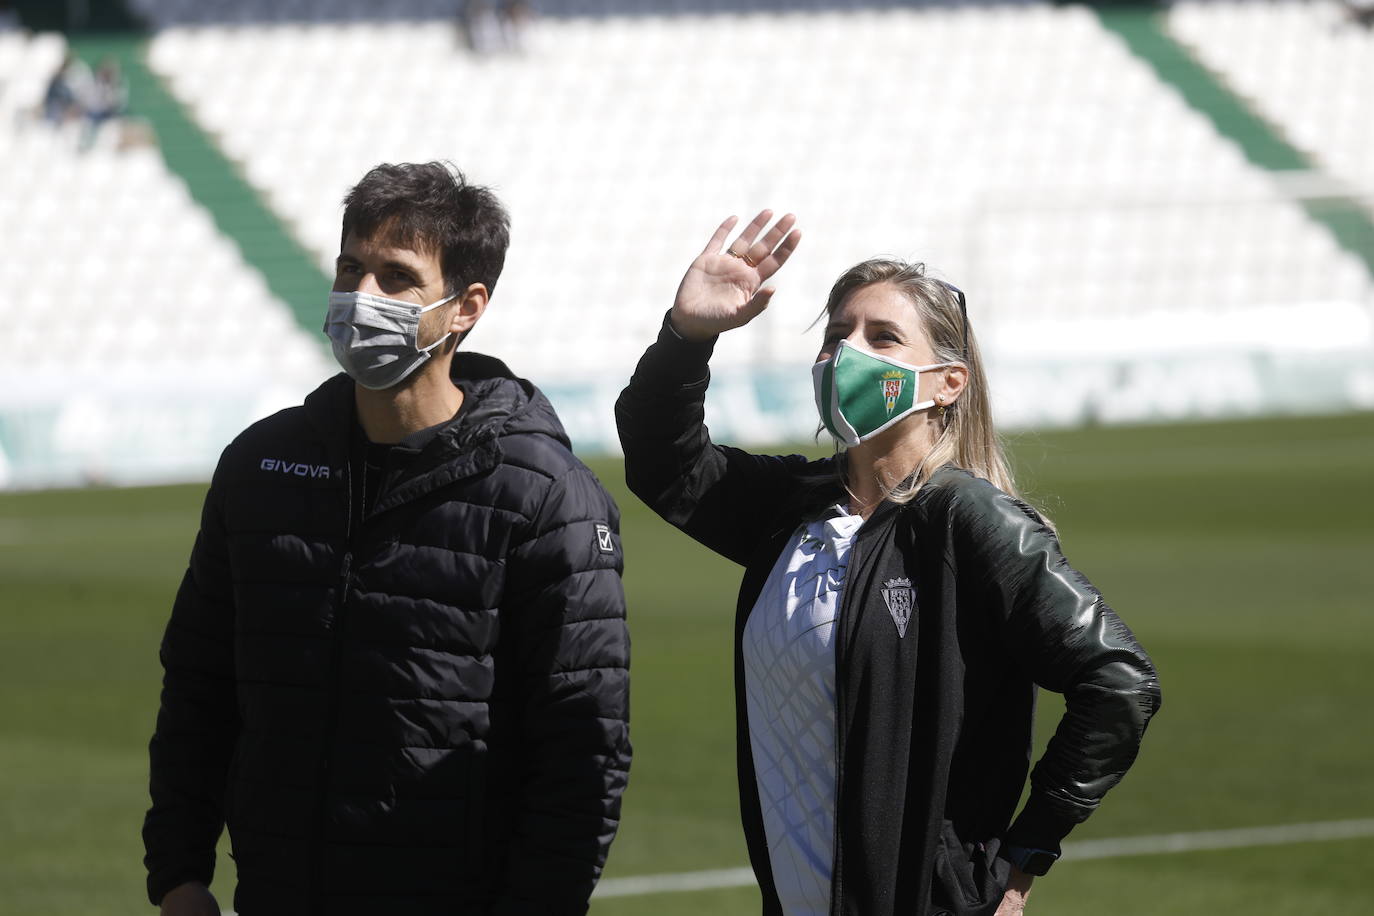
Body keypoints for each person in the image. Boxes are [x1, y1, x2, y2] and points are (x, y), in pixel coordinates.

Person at [615, 211, 1161, 916]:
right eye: (838, 334)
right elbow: (664, 464)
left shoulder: (967, 517)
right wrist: (689, 335)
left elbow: (1118, 680)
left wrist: (1026, 855)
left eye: (882, 337)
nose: (848, 353)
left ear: (948, 383)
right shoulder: (794, 508)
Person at [143, 162, 631, 916]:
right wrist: (178, 876)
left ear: (465, 307)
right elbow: (198, 687)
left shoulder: (545, 496)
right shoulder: (257, 467)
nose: (359, 298)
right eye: (350, 268)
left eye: (396, 278)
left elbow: (582, 753)